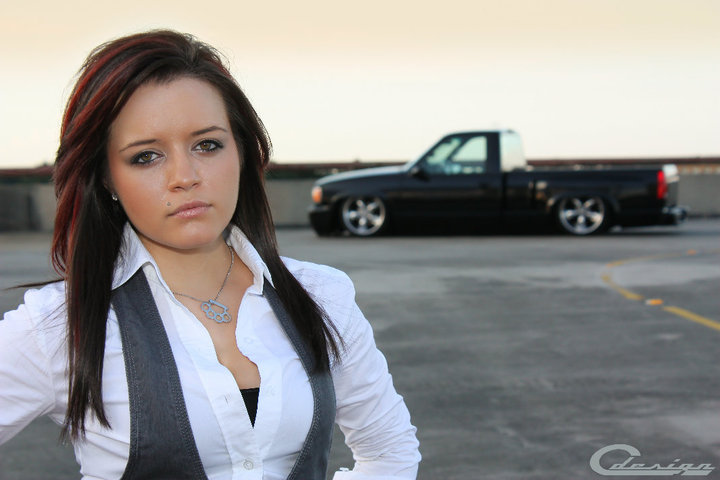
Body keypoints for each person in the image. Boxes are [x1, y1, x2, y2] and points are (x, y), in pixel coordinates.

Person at [0, 30, 420, 479]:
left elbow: (390, 452)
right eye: (146, 156)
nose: (185, 176)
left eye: (207, 145)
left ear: (242, 152)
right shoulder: (61, 326)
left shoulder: (320, 294)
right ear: (106, 178)